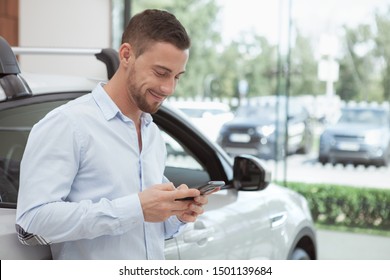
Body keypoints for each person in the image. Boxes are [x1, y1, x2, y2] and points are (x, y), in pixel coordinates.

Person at [16, 9, 214, 260]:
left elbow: (142, 228)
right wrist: (137, 208)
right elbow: (32, 221)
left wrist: (174, 215)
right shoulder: (68, 124)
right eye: (161, 73)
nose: (169, 88)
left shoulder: (152, 133)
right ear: (126, 55)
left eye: (176, 77)